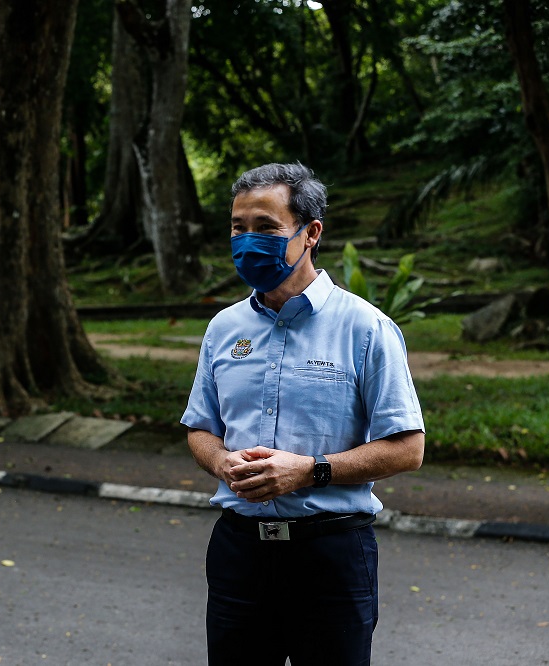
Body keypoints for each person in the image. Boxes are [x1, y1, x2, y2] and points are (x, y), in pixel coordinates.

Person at [181, 162, 425, 665]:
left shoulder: (366, 328)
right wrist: (220, 462)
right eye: (238, 228)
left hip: (330, 556)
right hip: (239, 553)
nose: (248, 241)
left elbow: (408, 448)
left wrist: (308, 472)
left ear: (311, 232)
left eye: (267, 228)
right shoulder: (224, 328)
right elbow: (201, 429)